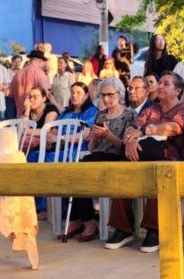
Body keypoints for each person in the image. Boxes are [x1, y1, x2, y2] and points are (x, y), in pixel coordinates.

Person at [99, 72, 184, 253]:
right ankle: (123, 228)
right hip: (146, 158)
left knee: (159, 170)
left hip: (175, 162)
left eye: (166, 84)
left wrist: (145, 130)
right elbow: (132, 128)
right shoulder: (151, 110)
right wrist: (131, 141)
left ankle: (155, 230)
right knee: (123, 168)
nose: (159, 86)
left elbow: (173, 128)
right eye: (159, 83)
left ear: (177, 90)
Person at [57, 77, 135, 240]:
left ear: (119, 94)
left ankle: (87, 223)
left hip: (117, 158)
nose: (106, 99)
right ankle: (82, 220)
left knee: (81, 171)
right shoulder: (100, 116)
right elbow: (93, 148)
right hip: (98, 156)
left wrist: (108, 136)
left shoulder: (130, 115)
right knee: (74, 171)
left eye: (110, 95)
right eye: (103, 95)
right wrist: (93, 138)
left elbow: (125, 147)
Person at [10, 50, 55, 118]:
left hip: (19, 115)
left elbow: (11, 94)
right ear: (39, 61)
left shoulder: (17, 74)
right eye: (43, 62)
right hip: (34, 115)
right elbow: (46, 94)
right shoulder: (39, 73)